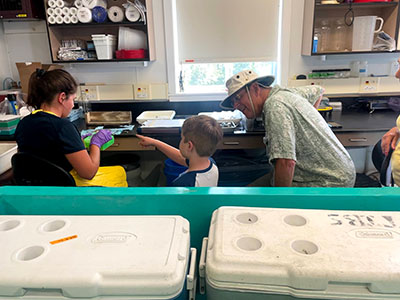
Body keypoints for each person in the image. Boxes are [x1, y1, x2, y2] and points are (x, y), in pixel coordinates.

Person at [220, 70, 355, 187]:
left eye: (238, 98)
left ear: (255, 88)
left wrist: (280, 205)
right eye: (233, 102)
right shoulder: (285, 93)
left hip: (328, 181)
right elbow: (318, 90)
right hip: (335, 171)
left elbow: (286, 162)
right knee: (249, 191)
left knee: (255, 203)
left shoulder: (275, 106)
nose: (236, 105)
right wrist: (304, 127)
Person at [15, 68, 127, 187]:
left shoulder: (24, 123)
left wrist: (77, 142)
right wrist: (96, 144)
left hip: (38, 189)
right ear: (62, 97)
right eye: (73, 99)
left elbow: (49, 152)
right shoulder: (63, 127)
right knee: (119, 173)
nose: (73, 105)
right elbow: (88, 173)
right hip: (66, 187)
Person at [136, 115, 223, 187]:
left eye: (182, 138)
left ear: (189, 145)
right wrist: (155, 142)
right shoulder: (211, 165)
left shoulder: (183, 183)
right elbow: (179, 157)